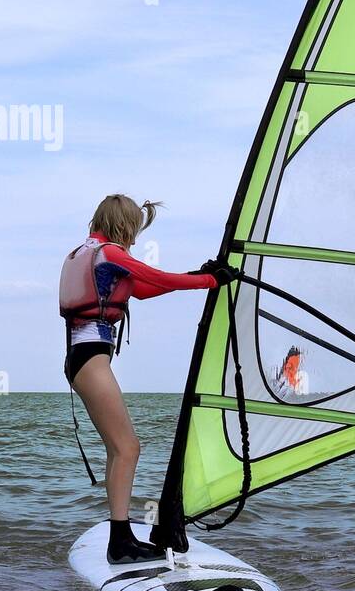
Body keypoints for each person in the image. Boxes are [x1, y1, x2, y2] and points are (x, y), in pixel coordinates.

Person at [59, 194, 233, 563]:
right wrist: (209, 281)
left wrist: (196, 277)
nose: (135, 240)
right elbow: (153, 275)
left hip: (82, 359)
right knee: (128, 448)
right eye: (134, 231)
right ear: (122, 226)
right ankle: (119, 543)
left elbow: (146, 288)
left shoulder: (87, 255)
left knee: (118, 449)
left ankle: (119, 537)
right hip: (90, 360)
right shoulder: (109, 254)